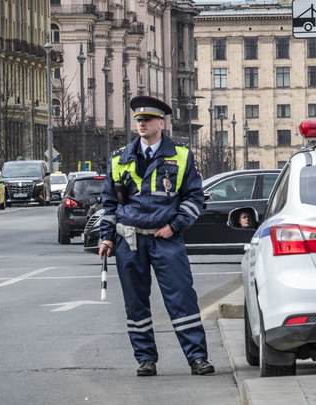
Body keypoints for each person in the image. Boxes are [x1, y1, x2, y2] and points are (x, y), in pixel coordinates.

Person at [98, 95, 214, 377]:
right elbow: (110, 203)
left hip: (166, 238)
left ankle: (197, 358)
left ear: (161, 123)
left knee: (182, 299)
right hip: (130, 239)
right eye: (138, 120)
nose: (141, 124)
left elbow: (194, 198)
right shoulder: (119, 159)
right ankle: (145, 359)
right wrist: (107, 237)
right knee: (135, 303)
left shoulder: (182, 156)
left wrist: (175, 226)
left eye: (147, 120)